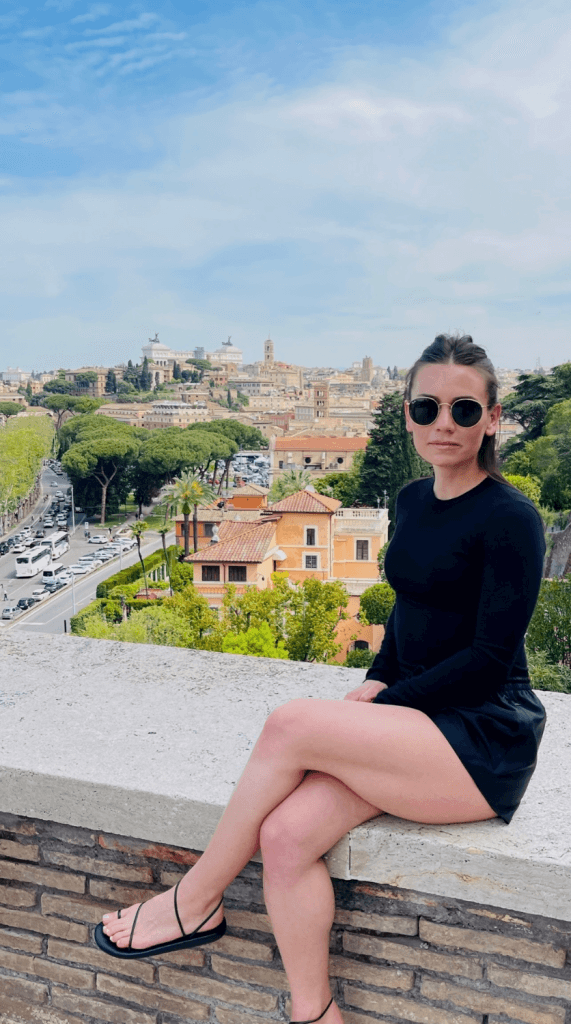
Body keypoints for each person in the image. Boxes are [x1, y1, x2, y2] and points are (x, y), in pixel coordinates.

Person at [96, 334, 547, 1024]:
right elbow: (409, 610)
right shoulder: (413, 500)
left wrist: (385, 704)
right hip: (417, 725)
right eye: (426, 407)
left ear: (491, 418)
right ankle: (315, 1014)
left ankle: (194, 900)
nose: (443, 424)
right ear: (408, 414)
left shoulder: (511, 518)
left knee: (290, 724)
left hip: (483, 737)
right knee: (284, 837)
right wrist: (377, 677)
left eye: (463, 409)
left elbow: (489, 660)